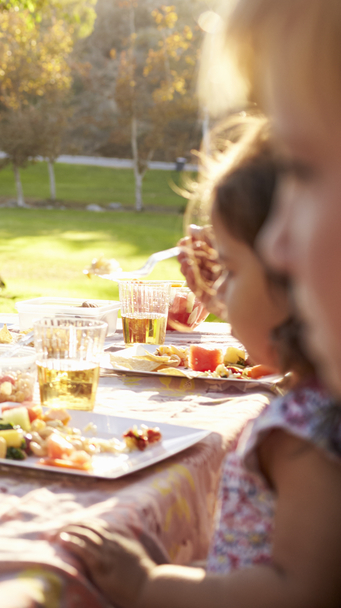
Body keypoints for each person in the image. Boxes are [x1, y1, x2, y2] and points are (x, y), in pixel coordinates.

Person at [59, 131, 341, 603]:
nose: (220, 291)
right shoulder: (317, 398)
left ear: (294, 279)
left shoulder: (303, 435)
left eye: (232, 268)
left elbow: (297, 592)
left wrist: (149, 585)